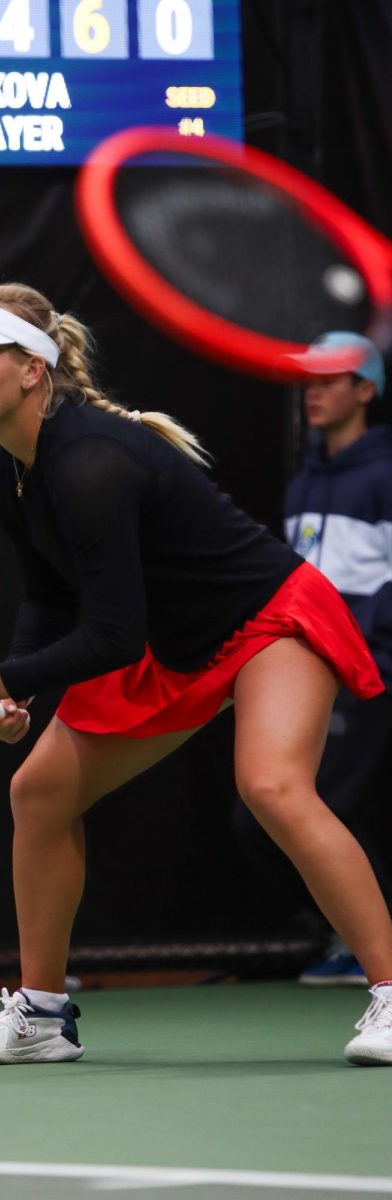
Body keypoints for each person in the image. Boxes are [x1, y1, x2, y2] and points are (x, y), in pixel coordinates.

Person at [0, 282, 392, 1067]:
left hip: (265, 618)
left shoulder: (92, 462)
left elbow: (112, 633)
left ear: (32, 370)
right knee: (39, 791)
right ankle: (40, 1016)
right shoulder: (10, 471)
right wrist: (19, 686)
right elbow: (51, 595)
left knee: (272, 784)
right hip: (168, 645)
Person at [233, 332, 392, 986]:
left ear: (366, 390)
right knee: (263, 815)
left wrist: (362, 652)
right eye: (309, 382)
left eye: (331, 380)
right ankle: (351, 936)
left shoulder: (385, 473)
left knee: (332, 803)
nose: (314, 393)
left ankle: (372, 952)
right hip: (306, 671)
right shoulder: (302, 483)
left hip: (367, 673)